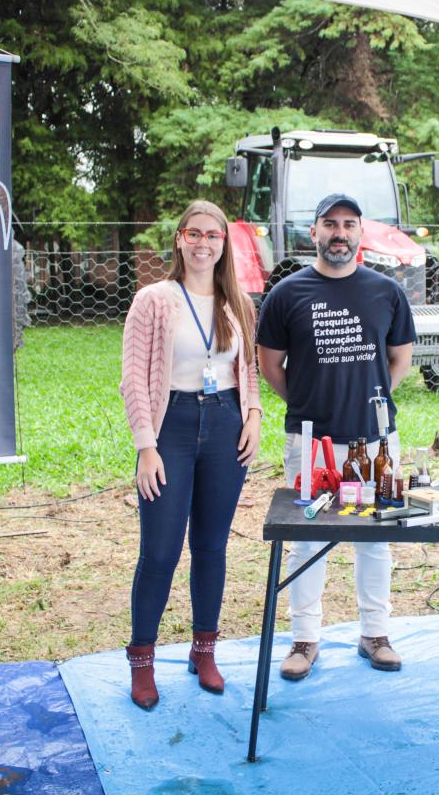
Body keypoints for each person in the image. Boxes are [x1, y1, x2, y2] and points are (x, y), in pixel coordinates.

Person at [256, 193, 416, 680]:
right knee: (307, 540)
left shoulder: (386, 292)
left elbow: (400, 358)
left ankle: (376, 634)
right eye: (330, 224)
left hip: (375, 440)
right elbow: (270, 365)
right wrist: (310, 400)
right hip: (310, 443)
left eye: (348, 224)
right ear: (315, 233)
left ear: (360, 233)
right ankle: (304, 640)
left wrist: (369, 399)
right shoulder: (287, 294)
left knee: (375, 539)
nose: (339, 233)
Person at [119, 200, 262, 710]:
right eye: (194, 233)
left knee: (210, 547)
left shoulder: (238, 303)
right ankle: (142, 661)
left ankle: (204, 652)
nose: (203, 243)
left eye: (213, 235)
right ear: (180, 239)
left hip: (225, 426)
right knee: (160, 551)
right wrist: (146, 446)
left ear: (225, 244)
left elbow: (248, 370)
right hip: (171, 428)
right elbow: (134, 377)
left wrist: (253, 415)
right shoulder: (154, 300)